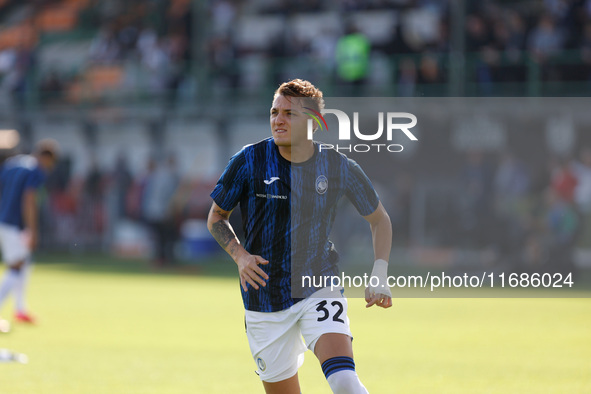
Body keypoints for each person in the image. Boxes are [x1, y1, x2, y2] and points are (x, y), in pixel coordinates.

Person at [207, 79, 392, 393]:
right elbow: (216, 217)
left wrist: (380, 271)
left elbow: (379, 219)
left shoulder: (337, 166)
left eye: (289, 114)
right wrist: (240, 256)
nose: (278, 120)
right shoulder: (249, 161)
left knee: (345, 382)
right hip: (263, 296)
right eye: (274, 112)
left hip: (318, 285)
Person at [0, 139, 59, 329]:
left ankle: (20, 309)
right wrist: (33, 230)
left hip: (3, 220)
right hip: (15, 224)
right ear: (47, 157)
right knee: (16, 267)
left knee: (23, 264)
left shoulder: (13, 163)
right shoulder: (35, 170)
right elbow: (29, 199)